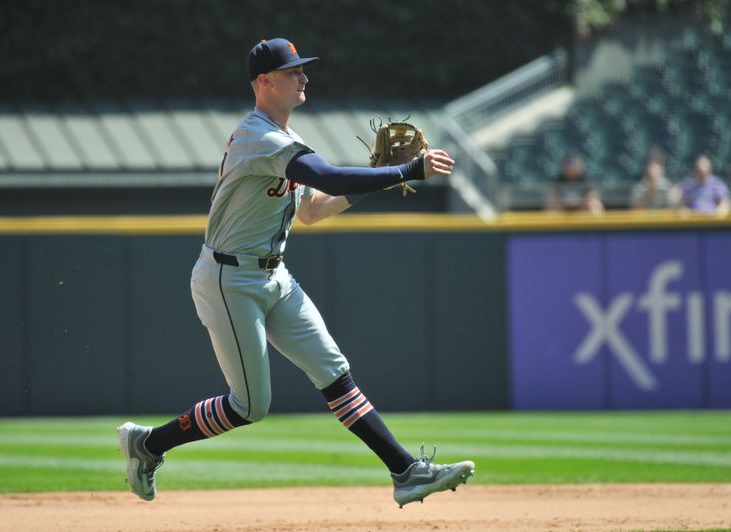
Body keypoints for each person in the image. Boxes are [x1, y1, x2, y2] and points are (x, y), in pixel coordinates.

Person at [118, 38, 474, 508]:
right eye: (292, 72)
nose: (304, 77)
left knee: (334, 371)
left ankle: (405, 471)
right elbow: (326, 176)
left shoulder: (283, 141)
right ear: (264, 83)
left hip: (274, 277)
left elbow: (314, 210)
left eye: (302, 70)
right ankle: (148, 445)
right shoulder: (258, 136)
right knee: (249, 406)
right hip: (229, 280)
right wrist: (407, 170)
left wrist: (377, 178)